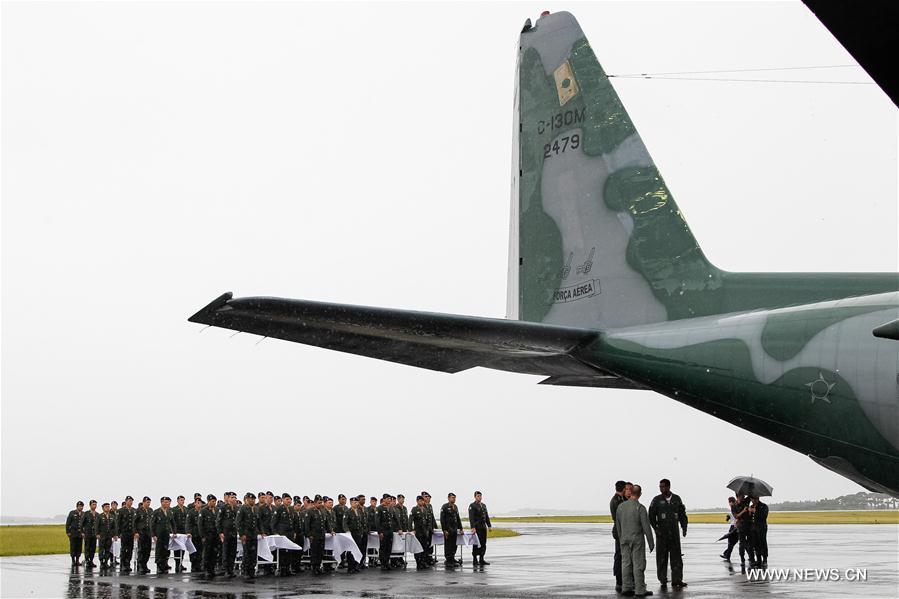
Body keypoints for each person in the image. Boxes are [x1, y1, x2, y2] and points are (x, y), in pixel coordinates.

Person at [614, 484, 655, 598]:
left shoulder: (621, 507)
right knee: (638, 564)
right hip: (637, 540)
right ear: (640, 494)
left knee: (626, 563)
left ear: (630, 492)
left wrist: (621, 537)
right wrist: (651, 543)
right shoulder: (640, 508)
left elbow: (618, 525)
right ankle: (639, 589)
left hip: (624, 539)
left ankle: (626, 588)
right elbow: (646, 527)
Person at [648, 479, 688, 589]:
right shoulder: (656, 500)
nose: (661, 489)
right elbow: (651, 516)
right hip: (662, 534)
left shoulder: (676, 499)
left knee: (676, 557)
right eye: (660, 487)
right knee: (661, 557)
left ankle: (677, 580)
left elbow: (682, 514)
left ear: (669, 487)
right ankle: (662, 579)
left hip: (674, 533)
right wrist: (655, 528)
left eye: (664, 486)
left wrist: (684, 527)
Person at [236, 492, 261, 580]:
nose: (253, 501)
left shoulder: (255, 509)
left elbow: (258, 522)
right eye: (251, 499)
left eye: (254, 499)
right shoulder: (242, 509)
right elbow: (238, 522)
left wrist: (261, 532)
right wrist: (241, 534)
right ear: (246, 499)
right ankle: (245, 571)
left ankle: (251, 571)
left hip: (253, 534)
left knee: (253, 553)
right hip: (246, 534)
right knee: (247, 553)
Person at [305, 495, 332, 575]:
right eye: (319, 503)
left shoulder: (323, 511)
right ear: (315, 502)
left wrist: (331, 530)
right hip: (314, 535)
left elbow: (326, 522)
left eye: (321, 502)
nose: (321, 504)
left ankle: (318, 566)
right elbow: (307, 524)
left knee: (320, 551)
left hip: (321, 534)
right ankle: (314, 567)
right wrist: (309, 535)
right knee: (314, 552)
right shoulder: (310, 511)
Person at [610, 481, 628, 591]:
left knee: (621, 556)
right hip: (619, 531)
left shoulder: (620, 500)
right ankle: (619, 580)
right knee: (619, 556)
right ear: (623, 488)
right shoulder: (616, 501)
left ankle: (621, 580)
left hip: (621, 530)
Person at [150, 496, 175, 574]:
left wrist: (174, 532)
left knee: (165, 550)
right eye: (164, 502)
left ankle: (164, 564)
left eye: (167, 502)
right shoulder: (156, 512)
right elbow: (152, 524)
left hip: (166, 534)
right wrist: (153, 535)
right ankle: (159, 566)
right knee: (159, 551)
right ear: (161, 503)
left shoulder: (169, 512)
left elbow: (172, 523)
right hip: (159, 534)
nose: (166, 503)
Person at [271, 493, 295, 576]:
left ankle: (288, 568)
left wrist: (294, 532)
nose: (289, 501)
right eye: (287, 499)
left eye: (290, 499)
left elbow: (292, 522)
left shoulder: (291, 509)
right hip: (282, 534)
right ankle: (282, 569)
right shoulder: (279, 509)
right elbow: (273, 522)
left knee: (290, 551)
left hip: (290, 534)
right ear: (283, 500)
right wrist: (276, 533)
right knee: (283, 552)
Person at [217, 491, 238, 578]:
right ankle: (225, 569)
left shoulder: (236, 508)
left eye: (235, 498)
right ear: (228, 498)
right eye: (232, 497)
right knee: (226, 551)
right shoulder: (223, 508)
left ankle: (231, 569)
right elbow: (218, 521)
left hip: (233, 533)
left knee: (233, 552)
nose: (233, 499)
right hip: (226, 533)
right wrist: (220, 532)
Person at [440, 492, 464, 568]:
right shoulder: (445, 507)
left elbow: (458, 518)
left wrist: (461, 528)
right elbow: (442, 519)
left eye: (454, 497)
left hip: (454, 529)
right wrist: (444, 530)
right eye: (452, 497)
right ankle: (448, 560)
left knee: (454, 545)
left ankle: (452, 558)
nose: (454, 499)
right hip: (448, 529)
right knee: (448, 545)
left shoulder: (455, 507)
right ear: (448, 498)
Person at [199, 494, 220, 579]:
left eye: (214, 501)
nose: (214, 503)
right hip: (207, 535)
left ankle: (212, 569)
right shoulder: (203, 511)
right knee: (207, 553)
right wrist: (202, 536)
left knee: (214, 553)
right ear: (208, 501)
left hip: (215, 535)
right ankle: (207, 569)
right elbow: (200, 525)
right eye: (212, 501)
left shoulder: (217, 510)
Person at [468, 491, 492, 566]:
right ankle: (475, 559)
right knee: (476, 543)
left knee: (483, 543)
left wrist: (489, 525)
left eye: (480, 496)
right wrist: (473, 527)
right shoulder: (472, 505)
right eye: (478, 496)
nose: (479, 497)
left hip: (483, 527)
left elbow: (486, 516)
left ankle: (481, 559)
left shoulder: (483, 505)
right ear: (475, 497)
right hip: (477, 527)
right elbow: (471, 517)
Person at [344, 496, 366, 573]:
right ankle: (350, 567)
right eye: (354, 502)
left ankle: (355, 566)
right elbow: (345, 523)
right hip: (351, 534)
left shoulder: (359, 511)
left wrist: (362, 531)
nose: (356, 504)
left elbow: (361, 523)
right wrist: (347, 531)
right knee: (350, 551)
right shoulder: (348, 512)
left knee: (357, 550)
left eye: (357, 502)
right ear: (350, 503)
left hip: (358, 534)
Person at [410, 495, 431, 570]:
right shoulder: (414, 509)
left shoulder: (425, 510)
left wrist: (428, 529)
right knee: (417, 547)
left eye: (422, 501)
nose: (421, 502)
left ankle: (423, 561)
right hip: (418, 532)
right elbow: (410, 520)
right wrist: (411, 530)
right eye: (419, 501)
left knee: (424, 547)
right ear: (417, 501)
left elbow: (428, 521)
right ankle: (418, 562)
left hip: (424, 532)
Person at [116, 496, 136, 573]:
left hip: (131, 532)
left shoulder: (133, 510)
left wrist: (135, 532)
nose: (130, 502)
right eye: (129, 500)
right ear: (126, 501)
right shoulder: (121, 511)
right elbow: (118, 523)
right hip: (124, 532)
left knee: (130, 549)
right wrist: (119, 533)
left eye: (131, 501)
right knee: (124, 549)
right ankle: (123, 564)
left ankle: (128, 563)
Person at [134, 496, 153, 574]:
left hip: (148, 532)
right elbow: (134, 522)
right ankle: (140, 564)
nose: (148, 504)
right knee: (141, 549)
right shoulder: (138, 510)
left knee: (147, 549)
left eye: (149, 502)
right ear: (143, 502)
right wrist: (135, 532)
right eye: (147, 502)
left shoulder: (150, 510)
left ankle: (145, 564)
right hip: (141, 532)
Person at [733, 494, 754, 566]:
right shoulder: (734, 505)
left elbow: (751, 494)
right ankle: (742, 559)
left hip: (749, 525)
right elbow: (736, 516)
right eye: (742, 496)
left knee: (750, 543)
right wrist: (743, 511)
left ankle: (751, 559)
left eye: (744, 496)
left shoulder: (746, 500)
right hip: (741, 526)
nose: (743, 497)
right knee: (742, 544)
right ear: (737, 496)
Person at [96, 502, 117, 572]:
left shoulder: (112, 516)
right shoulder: (99, 516)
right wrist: (97, 534)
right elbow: (97, 526)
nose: (107, 508)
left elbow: (114, 527)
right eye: (106, 507)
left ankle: (106, 562)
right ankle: (102, 562)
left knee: (108, 550)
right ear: (103, 508)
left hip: (109, 536)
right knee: (101, 549)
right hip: (102, 536)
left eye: (108, 507)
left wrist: (114, 535)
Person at [186, 496, 204, 573]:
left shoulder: (203, 511)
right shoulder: (191, 512)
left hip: (201, 534)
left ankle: (199, 565)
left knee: (200, 550)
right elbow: (188, 523)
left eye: (200, 503)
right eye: (197, 503)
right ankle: (193, 565)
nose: (199, 504)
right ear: (195, 504)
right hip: (194, 534)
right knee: (193, 550)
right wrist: (188, 532)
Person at [65, 500, 84, 568]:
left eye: (81, 506)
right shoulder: (72, 513)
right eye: (79, 506)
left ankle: (77, 560)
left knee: (79, 547)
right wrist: (68, 532)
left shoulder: (83, 514)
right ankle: (73, 560)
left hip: (80, 534)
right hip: (73, 533)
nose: (80, 507)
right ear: (77, 506)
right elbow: (68, 523)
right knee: (73, 547)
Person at [172, 495, 189, 572]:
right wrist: (173, 531)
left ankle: (181, 563)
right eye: (181, 500)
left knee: (183, 548)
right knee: (177, 548)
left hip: (184, 531)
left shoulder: (186, 509)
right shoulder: (174, 510)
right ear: (178, 501)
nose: (182, 501)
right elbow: (173, 521)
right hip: (177, 531)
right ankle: (177, 563)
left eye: (183, 500)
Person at [750, 497, 769, 566]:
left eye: (755, 499)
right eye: (752, 499)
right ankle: (758, 559)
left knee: (762, 543)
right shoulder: (751, 506)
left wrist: (755, 511)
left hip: (761, 527)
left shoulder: (764, 506)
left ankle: (765, 560)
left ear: (758, 498)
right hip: (753, 528)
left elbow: (764, 516)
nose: (753, 500)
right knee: (755, 544)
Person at [81, 500, 99, 569]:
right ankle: (87, 560)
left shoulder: (97, 514)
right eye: (93, 504)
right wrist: (82, 532)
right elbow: (81, 524)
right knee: (87, 547)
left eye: (95, 504)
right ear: (90, 505)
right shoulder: (86, 513)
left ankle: (91, 560)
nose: (95, 506)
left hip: (94, 534)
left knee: (93, 548)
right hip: (87, 533)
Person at [720, 496, 739, 562]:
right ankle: (727, 554)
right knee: (733, 542)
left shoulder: (734, 508)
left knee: (731, 541)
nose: (729, 503)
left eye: (729, 502)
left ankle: (727, 554)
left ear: (731, 502)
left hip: (734, 527)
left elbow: (736, 517)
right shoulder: (735, 508)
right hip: (735, 526)